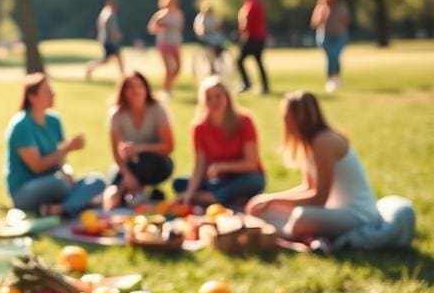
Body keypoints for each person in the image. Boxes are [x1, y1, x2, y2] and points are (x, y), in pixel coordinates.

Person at [246, 91, 380, 242]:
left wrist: (273, 200)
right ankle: (298, 233)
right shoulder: (310, 145)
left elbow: (319, 199)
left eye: (285, 115)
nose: (283, 121)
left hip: (357, 215)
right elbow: (308, 188)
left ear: (298, 118)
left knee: (301, 216)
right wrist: (268, 200)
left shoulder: (324, 142)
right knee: (262, 211)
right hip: (333, 210)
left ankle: (291, 236)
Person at [4, 73, 106, 217]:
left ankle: (58, 209)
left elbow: (61, 160)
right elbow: (37, 167)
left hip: (55, 184)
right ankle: (79, 203)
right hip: (25, 191)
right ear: (32, 97)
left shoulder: (54, 120)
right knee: (59, 184)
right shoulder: (22, 125)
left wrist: (68, 171)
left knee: (97, 180)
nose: (53, 94)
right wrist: (68, 148)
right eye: (47, 91)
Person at [173, 76, 266, 208]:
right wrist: (189, 193)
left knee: (255, 181)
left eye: (218, 96)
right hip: (217, 181)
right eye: (209, 98)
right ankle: (228, 199)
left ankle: (213, 198)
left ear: (227, 97)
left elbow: (251, 164)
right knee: (179, 183)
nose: (214, 101)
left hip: (243, 177)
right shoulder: (199, 127)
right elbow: (199, 166)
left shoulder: (245, 121)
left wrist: (221, 167)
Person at [102, 72, 174, 209]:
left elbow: (168, 146)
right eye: (130, 87)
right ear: (123, 92)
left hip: (156, 163)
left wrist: (139, 148)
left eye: (140, 86)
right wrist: (127, 174)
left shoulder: (157, 110)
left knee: (146, 160)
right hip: (129, 164)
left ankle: (126, 192)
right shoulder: (116, 115)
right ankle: (131, 194)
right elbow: (116, 154)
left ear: (146, 89)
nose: (136, 91)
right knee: (116, 180)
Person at [310, 0, 351, 93]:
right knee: (330, 57)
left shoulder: (341, 6)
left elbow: (346, 20)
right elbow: (314, 23)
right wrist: (323, 15)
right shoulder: (321, 8)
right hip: (325, 37)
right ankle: (332, 79)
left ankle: (335, 78)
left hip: (339, 36)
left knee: (335, 56)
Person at [146, 0, 184, 97]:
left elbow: (180, 28)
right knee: (169, 68)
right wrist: (163, 27)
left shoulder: (179, 14)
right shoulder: (161, 14)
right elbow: (151, 29)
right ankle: (166, 90)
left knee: (178, 68)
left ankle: (167, 87)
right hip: (164, 43)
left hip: (175, 43)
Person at [236, 0, 270, 94]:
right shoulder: (259, 3)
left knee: (239, 61)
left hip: (251, 38)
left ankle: (246, 83)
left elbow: (246, 22)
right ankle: (265, 86)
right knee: (259, 61)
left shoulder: (250, 5)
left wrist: (239, 33)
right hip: (260, 37)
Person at [85, 0, 124, 81]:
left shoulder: (103, 13)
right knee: (117, 57)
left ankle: (91, 67)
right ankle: (123, 76)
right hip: (109, 41)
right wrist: (116, 34)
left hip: (105, 40)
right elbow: (112, 28)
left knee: (107, 59)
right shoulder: (109, 14)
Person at [193, 0, 226, 74]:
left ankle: (218, 56)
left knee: (219, 39)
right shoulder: (201, 17)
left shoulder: (214, 16)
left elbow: (219, 25)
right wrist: (203, 32)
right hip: (205, 36)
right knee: (210, 46)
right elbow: (199, 28)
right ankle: (212, 62)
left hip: (214, 35)